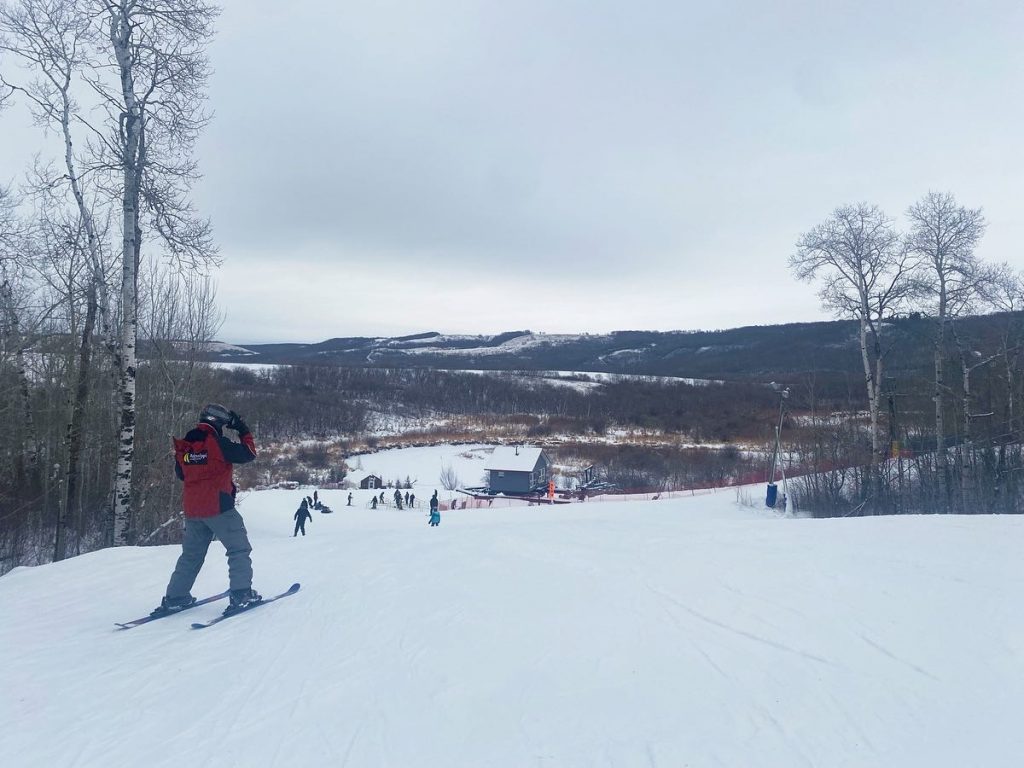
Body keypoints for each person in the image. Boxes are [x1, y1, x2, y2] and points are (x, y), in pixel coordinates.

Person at [154, 403, 260, 617]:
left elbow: (181, 474)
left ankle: (175, 597)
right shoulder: (218, 443)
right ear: (219, 422)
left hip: (193, 509)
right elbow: (249, 453)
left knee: (191, 555)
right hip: (219, 506)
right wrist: (242, 429)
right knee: (238, 549)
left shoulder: (185, 446)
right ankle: (241, 594)